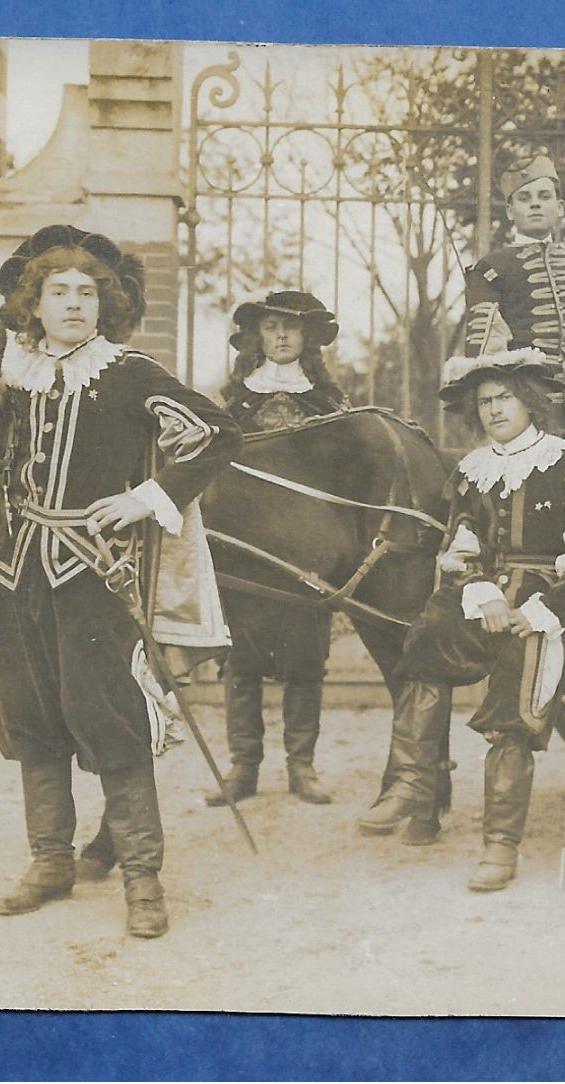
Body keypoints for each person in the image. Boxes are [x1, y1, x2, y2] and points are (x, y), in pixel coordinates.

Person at [0, 225, 241, 937]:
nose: (73, 303)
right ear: (31, 305)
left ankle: (141, 879)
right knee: (30, 716)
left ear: (107, 304)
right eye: (57, 292)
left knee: (110, 719)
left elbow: (220, 434)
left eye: (87, 292)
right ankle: (50, 862)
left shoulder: (128, 373)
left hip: (94, 575)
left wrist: (147, 498)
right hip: (18, 569)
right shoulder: (10, 373)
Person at [356, 349, 565, 891]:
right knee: (427, 637)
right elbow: (460, 545)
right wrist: (482, 595)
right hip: (484, 593)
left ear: (529, 400)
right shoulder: (470, 472)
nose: (493, 410)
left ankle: (500, 846)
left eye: (505, 397)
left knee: (513, 699)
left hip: (545, 599)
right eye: (484, 401)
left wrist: (539, 611)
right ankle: (412, 782)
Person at [207, 291, 350, 808]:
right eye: (271, 327)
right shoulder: (233, 404)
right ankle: (243, 767)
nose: (282, 337)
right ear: (256, 337)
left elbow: (346, 480)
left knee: (304, 662)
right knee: (240, 664)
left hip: (304, 553)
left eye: (291, 328)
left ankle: (301, 766)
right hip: (244, 547)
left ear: (308, 338)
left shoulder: (330, 404)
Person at [461, 153, 565, 436]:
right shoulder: (492, 268)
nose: (536, 204)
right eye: (524, 198)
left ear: (560, 206)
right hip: (524, 417)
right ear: (510, 211)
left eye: (544, 196)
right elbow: (486, 355)